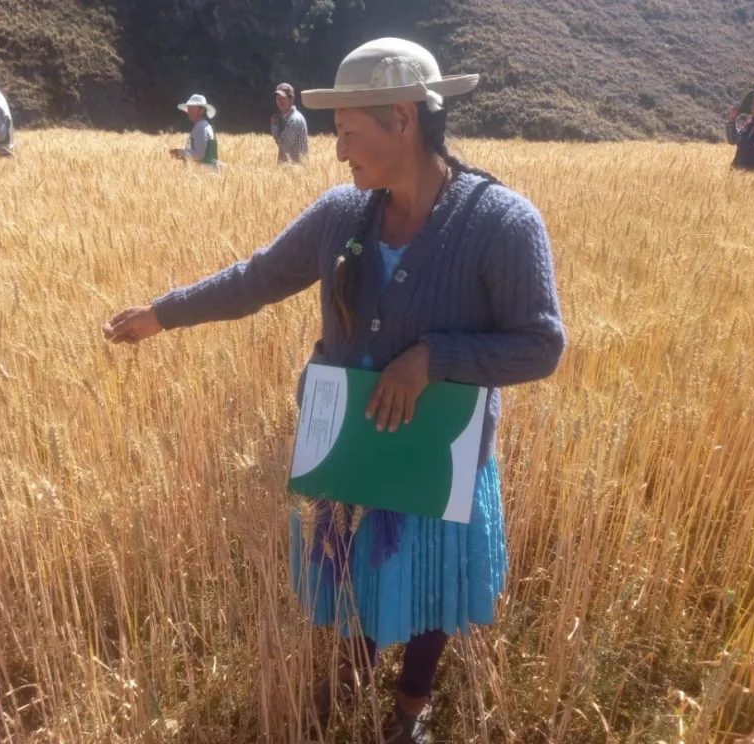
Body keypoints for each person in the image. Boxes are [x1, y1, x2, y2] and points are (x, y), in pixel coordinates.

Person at [104, 37, 565, 742]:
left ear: (402, 121)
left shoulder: (502, 224)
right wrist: (161, 315)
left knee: (432, 589)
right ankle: (344, 687)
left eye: (350, 132)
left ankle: (409, 709)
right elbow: (256, 278)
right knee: (357, 583)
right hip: (351, 449)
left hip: (437, 458)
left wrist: (433, 358)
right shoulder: (340, 216)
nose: (340, 151)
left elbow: (541, 345)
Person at [169, 94, 219, 169]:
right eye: (189, 108)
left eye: (192, 108)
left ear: (202, 110)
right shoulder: (203, 125)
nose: (189, 111)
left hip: (205, 175)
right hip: (207, 175)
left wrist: (179, 152)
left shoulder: (201, 127)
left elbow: (199, 154)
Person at [271, 82, 309, 164]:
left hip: (295, 170)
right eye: (278, 98)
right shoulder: (284, 117)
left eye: (283, 98)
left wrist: (275, 126)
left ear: (291, 99)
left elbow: (284, 146)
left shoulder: (294, 120)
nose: (280, 102)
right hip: (289, 171)